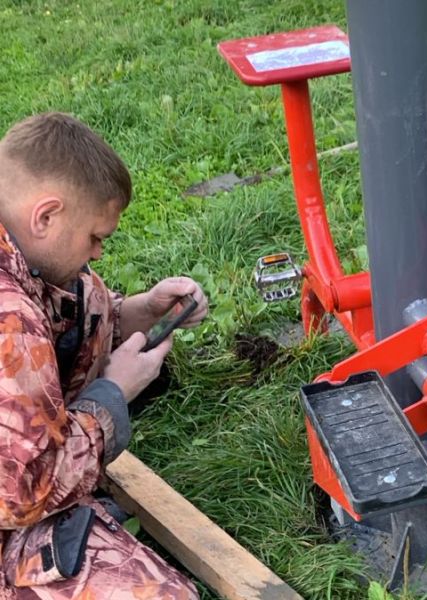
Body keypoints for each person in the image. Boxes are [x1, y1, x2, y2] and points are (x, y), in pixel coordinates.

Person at [0, 112, 209, 599]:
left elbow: (71, 312)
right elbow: (23, 495)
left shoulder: (23, 253)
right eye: (95, 237)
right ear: (45, 215)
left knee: (84, 296)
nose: (98, 252)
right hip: (15, 502)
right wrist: (109, 400)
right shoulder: (9, 319)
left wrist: (141, 311)